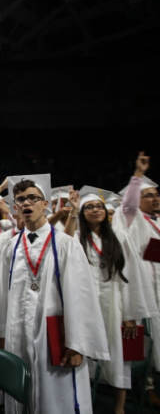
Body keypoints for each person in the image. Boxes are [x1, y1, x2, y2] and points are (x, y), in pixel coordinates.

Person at [0, 174, 109, 414]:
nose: (26, 203)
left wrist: (77, 344)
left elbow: (81, 296)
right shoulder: (11, 247)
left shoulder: (66, 244)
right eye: (20, 200)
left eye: (32, 198)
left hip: (54, 338)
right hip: (19, 337)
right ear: (15, 207)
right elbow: (1, 296)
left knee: (57, 399)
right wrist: (3, 336)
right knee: (21, 396)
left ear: (45, 204)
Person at [64, 186, 157, 414]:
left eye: (99, 206)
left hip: (114, 303)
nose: (95, 210)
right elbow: (63, 245)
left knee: (118, 354)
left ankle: (119, 407)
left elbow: (132, 278)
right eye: (89, 207)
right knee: (84, 352)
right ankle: (84, 401)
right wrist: (72, 212)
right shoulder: (77, 238)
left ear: (105, 211)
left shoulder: (120, 237)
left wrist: (131, 315)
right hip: (86, 305)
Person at [111, 152, 160, 403]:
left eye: (156, 194)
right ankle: (149, 385)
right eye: (148, 195)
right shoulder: (132, 218)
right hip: (144, 288)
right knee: (148, 338)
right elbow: (128, 205)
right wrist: (138, 175)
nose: (155, 199)